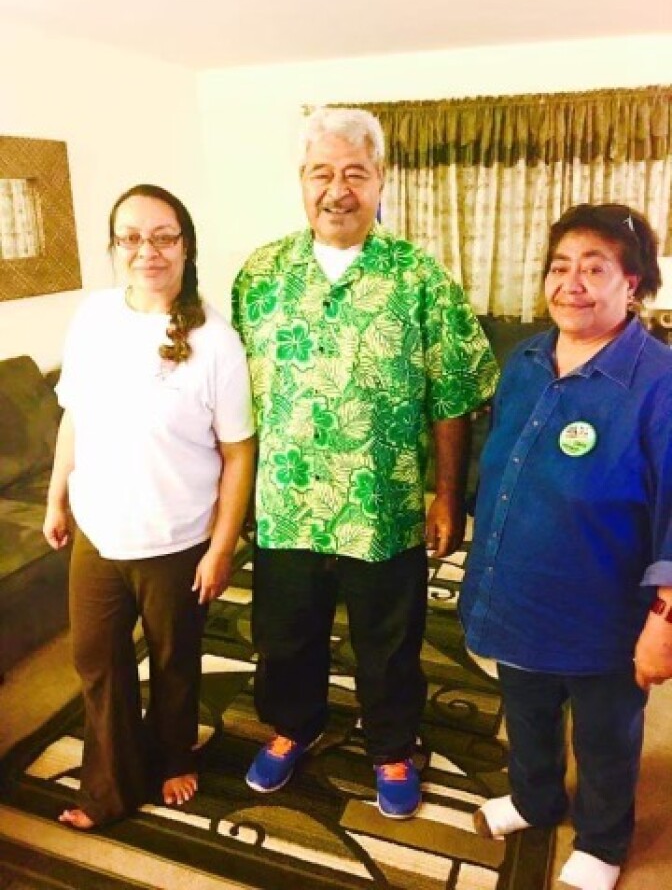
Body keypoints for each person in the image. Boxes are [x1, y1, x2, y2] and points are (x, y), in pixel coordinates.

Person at [232, 107, 499, 819]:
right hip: (285, 503)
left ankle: (390, 746)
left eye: (355, 172)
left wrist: (449, 496)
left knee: (388, 642)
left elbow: (453, 395)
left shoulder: (419, 276)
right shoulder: (259, 274)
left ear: (381, 181)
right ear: (302, 181)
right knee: (284, 636)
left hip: (386, 505)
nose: (338, 189)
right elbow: (227, 398)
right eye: (322, 172)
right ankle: (294, 727)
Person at [459, 204, 672, 890]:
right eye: (560, 266)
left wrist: (663, 623)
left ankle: (604, 842)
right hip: (516, 596)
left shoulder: (659, 384)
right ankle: (535, 798)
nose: (572, 283)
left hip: (604, 616)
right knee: (525, 715)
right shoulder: (524, 360)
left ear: (632, 283)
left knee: (606, 738)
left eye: (595, 267)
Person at [43, 184, 256, 829]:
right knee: (98, 664)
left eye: (164, 236)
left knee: (172, 663)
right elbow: (74, 414)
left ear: (187, 246)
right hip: (100, 535)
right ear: (113, 248)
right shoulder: (93, 317)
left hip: (176, 540)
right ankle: (107, 788)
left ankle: (172, 757)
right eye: (131, 237)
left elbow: (239, 452)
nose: (148, 251)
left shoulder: (216, 340)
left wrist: (221, 547)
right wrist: (57, 495)